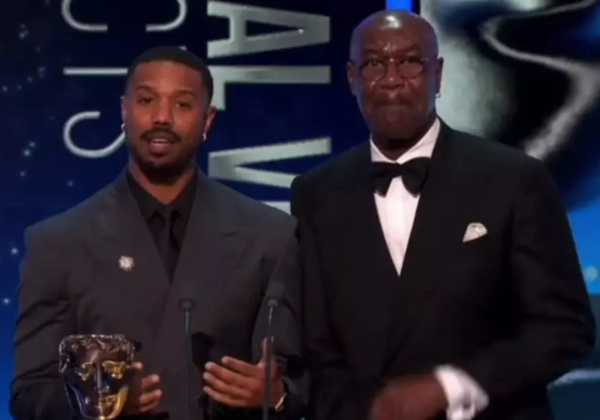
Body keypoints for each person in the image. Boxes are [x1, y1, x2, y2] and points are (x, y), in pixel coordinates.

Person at [290, 10, 595, 420]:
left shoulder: (514, 178)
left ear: (438, 74)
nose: (392, 78)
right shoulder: (316, 192)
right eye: (375, 63)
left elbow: (564, 329)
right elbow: (317, 348)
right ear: (352, 78)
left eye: (410, 62)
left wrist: (451, 385)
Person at [11, 46, 305, 420]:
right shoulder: (58, 244)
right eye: (147, 100)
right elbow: (29, 393)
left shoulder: (269, 236)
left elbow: (299, 382)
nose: (162, 117)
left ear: (207, 120)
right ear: (124, 111)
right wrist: (99, 404)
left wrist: (275, 396)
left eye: (182, 104)